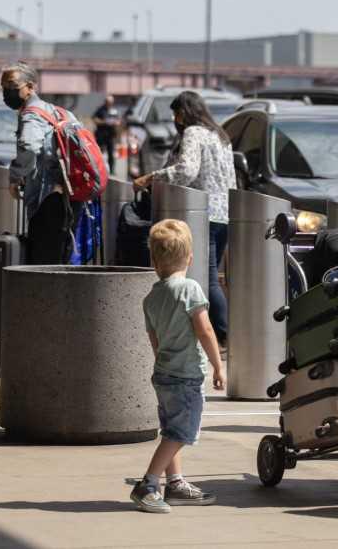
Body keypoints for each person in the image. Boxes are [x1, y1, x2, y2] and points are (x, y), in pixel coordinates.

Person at [130, 219, 225, 514]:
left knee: (170, 429)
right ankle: (148, 484)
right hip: (186, 376)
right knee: (180, 433)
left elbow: (154, 339)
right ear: (190, 257)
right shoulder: (190, 289)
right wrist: (218, 365)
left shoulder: (151, 298)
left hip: (164, 374)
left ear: (153, 260)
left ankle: (175, 482)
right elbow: (205, 330)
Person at [134, 91, 236, 348]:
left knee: (207, 278)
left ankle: (223, 334)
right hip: (224, 214)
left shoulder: (193, 133)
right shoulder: (220, 135)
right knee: (212, 276)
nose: (175, 119)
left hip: (202, 213)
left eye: (176, 113)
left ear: (184, 113)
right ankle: (219, 333)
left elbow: (187, 171)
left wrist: (152, 177)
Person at [3, 61, 83, 264]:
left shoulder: (32, 114)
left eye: (12, 86)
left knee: (43, 260)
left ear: (30, 87)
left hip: (46, 198)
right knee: (61, 256)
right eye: (3, 87)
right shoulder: (60, 113)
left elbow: (29, 146)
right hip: (72, 194)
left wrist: (15, 176)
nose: (7, 92)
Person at [91, 94, 123, 174]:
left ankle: (112, 170)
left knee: (111, 153)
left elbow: (119, 121)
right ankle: (98, 169)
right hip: (101, 134)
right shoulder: (100, 110)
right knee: (99, 152)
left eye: (111, 102)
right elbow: (94, 119)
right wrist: (104, 122)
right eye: (108, 102)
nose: (109, 103)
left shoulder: (114, 110)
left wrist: (116, 123)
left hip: (111, 135)